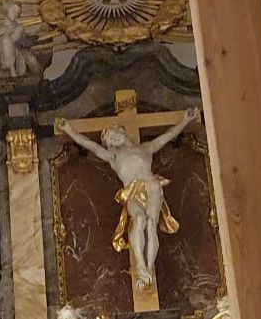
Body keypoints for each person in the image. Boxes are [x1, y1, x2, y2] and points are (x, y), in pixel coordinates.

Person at [56, 107, 199, 288]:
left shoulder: (146, 148)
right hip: (131, 191)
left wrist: (186, 120)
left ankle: (149, 266)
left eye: (114, 134)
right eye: (110, 140)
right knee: (139, 220)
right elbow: (90, 145)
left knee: (151, 222)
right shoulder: (113, 157)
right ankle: (140, 266)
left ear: (122, 130)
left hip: (152, 186)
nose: (114, 138)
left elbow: (168, 136)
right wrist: (68, 129)